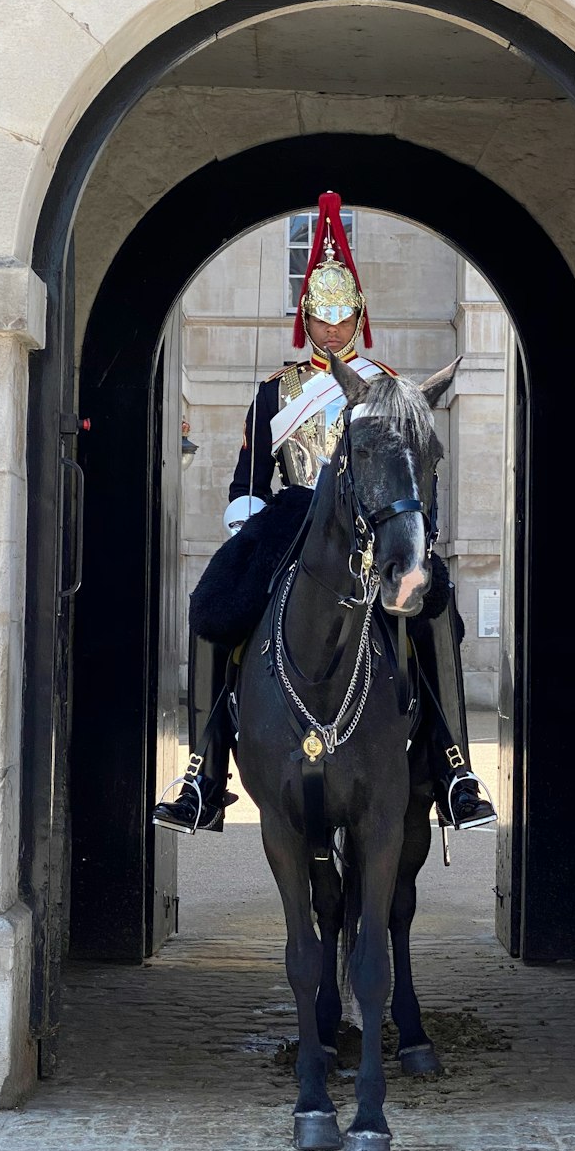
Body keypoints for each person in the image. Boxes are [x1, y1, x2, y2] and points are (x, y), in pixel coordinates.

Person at [152, 192, 497, 836]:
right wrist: (245, 527)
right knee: (217, 605)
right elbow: (247, 478)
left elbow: (415, 465)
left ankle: (453, 765)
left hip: (374, 528)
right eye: (321, 317)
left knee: (435, 608)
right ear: (305, 319)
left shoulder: (389, 388)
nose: (333, 330)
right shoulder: (275, 393)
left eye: (343, 318)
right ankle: (204, 770)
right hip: (292, 522)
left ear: (358, 317)